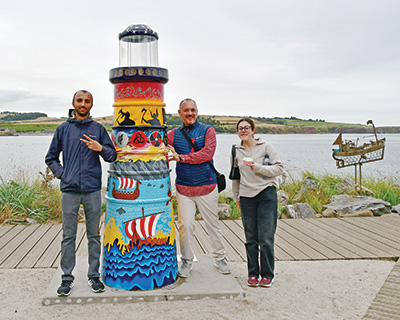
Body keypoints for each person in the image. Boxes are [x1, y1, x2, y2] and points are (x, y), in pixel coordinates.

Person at [45, 90, 117, 296]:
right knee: (68, 235)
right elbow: (50, 158)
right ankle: (66, 278)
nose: (83, 104)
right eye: (80, 100)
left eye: (87, 101)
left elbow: (112, 156)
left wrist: (100, 147)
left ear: (91, 105)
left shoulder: (98, 129)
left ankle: (94, 276)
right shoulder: (63, 129)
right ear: (73, 103)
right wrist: (63, 175)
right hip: (69, 191)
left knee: (93, 235)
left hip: (93, 190)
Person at [167, 98, 230, 277]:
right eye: (186, 110)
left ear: (197, 111)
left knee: (213, 225)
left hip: (207, 187)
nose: (190, 114)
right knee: (185, 225)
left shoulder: (208, 130)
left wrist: (183, 158)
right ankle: (186, 261)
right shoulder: (173, 134)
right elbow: (164, 150)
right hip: (184, 188)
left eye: (193, 110)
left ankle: (220, 258)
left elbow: (207, 154)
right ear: (179, 113)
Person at [231, 118, 283, 287]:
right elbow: (235, 177)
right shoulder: (236, 150)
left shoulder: (266, 147)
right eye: (240, 128)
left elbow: (278, 168)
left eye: (246, 128)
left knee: (266, 237)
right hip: (246, 197)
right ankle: (253, 274)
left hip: (266, 193)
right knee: (250, 238)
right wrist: (236, 198)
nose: (243, 131)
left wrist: (257, 167)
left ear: (253, 130)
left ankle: (267, 274)